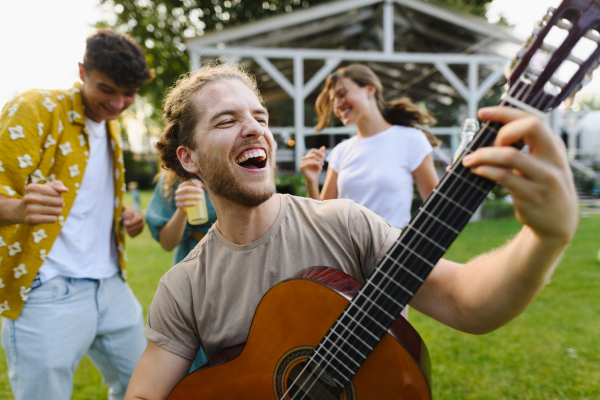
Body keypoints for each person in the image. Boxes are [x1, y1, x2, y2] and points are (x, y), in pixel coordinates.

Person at [124, 64, 578, 400]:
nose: (254, 130)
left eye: (260, 118)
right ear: (189, 158)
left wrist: (545, 237)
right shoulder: (184, 286)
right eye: (227, 121)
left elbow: (464, 299)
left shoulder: (343, 223)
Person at [0, 29, 152, 400]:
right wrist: (19, 208)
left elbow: (85, 200)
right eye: (107, 89)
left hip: (111, 286)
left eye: (128, 94)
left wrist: (123, 215)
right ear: (82, 71)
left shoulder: (110, 127)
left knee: (150, 389)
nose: (118, 104)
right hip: (47, 290)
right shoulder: (33, 108)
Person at [301, 64, 440, 229]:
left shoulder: (411, 139)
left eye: (342, 94)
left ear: (370, 89)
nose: (337, 105)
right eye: (333, 100)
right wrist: (311, 180)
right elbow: (322, 220)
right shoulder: (341, 151)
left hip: (393, 250)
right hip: (345, 252)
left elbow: (436, 210)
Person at [145, 169, 218, 370]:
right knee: (195, 344)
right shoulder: (172, 179)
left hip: (238, 257)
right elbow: (167, 243)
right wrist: (181, 210)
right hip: (195, 262)